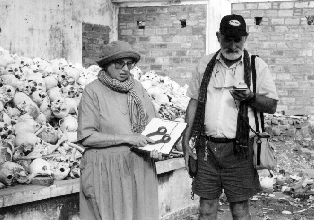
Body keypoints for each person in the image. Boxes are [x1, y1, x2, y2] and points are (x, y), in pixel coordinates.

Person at [182, 14, 279, 220]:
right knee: (206, 209)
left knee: (239, 210)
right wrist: (185, 142)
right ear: (219, 36)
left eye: (238, 40)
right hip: (206, 148)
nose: (233, 45)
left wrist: (250, 97)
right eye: (228, 39)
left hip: (240, 149)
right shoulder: (205, 63)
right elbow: (193, 102)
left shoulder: (256, 66)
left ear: (246, 38)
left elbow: (271, 105)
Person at [78, 40, 162, 220]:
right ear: (107, 65)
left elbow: (153, 125)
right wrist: (127, 138)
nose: (125, 69)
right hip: (106, 170)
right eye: (119, 64)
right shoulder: (92, 91)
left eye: (129, 64)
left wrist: (158, 149)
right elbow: (87, 137)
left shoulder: (137, 88)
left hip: (139, 166)